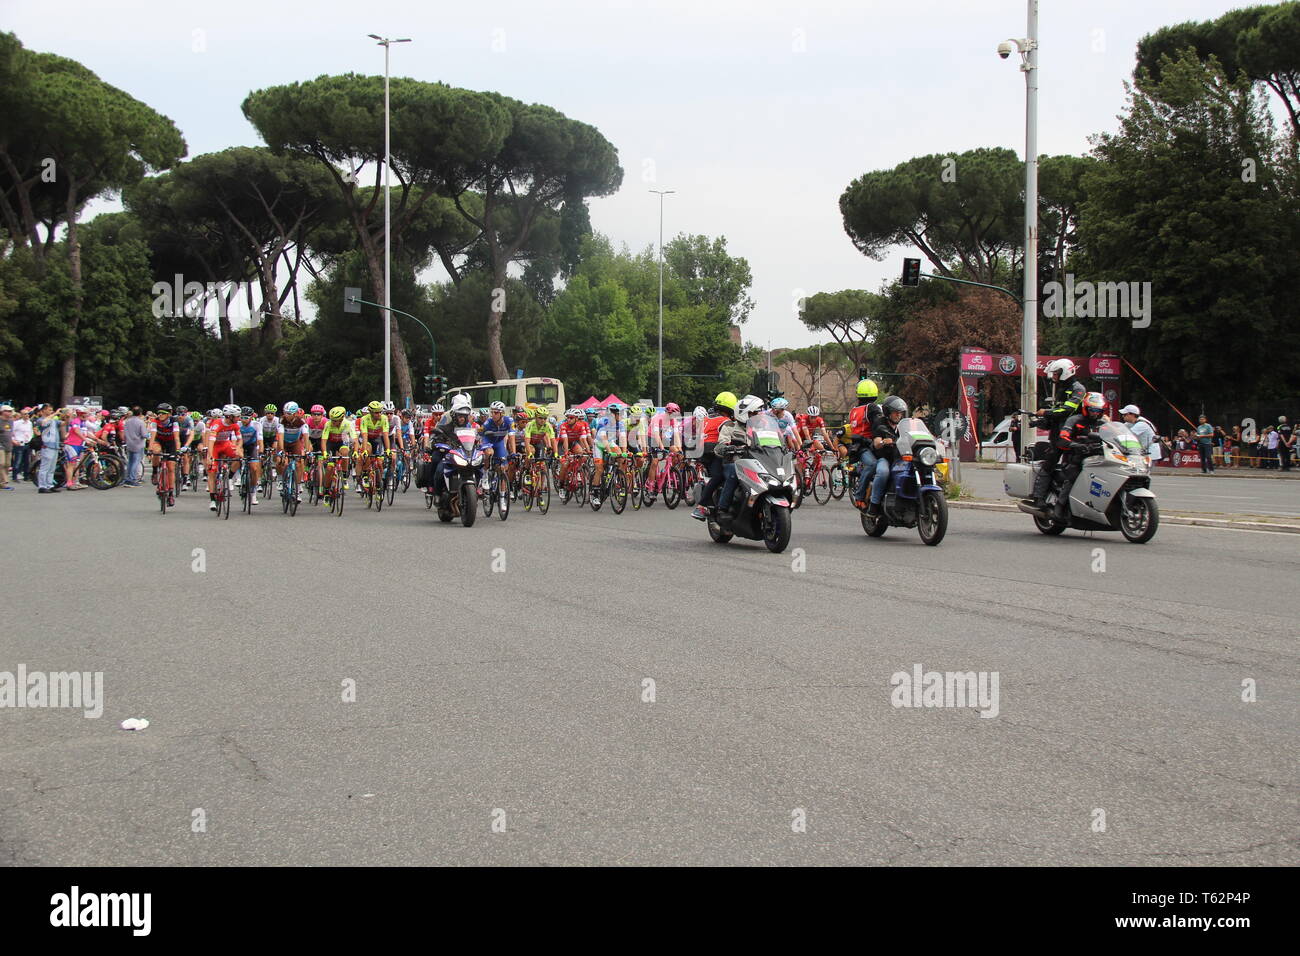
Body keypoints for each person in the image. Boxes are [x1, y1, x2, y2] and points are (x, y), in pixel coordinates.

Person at [1051, 392, 1108, 519]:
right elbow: (1062, 439)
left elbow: (1115, 436)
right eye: (1092, 410)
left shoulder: (1103, 423)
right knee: (1074, 475)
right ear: (1086, 408)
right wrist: (1078, 445)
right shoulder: (1075, 420)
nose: (1095, 413)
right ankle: (1059, 506)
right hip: (1076, 457)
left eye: (1098, 410)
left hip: (1098, 457)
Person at [714, 394, 765, 523]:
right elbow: (720, 445)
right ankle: (723, 508)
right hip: (734, 462)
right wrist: (727, 448)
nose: (757, 416)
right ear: (745, 413)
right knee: (733, 473)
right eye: (754, 413)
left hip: (756, 463)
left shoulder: (760, 428)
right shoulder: (729, 426)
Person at [692, 392, 737, 520]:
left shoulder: (707, 418)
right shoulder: (725, 421)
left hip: (702, 453)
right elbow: (730, 438)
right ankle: (701, 506)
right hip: (714, 453)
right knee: (719, 476)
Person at [866, 396, 907, 517]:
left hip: (901, 458)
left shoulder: (904, 425)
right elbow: (876, 443)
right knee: (883, 472)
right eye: (895, 412)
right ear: (888, 412)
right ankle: (874, 505)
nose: (898, 415)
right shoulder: (880, 423)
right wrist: (883, 442)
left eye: (900, 413)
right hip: (886, 458)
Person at [847, 379, 881, 507]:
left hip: (859, 446)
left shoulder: (854, 410)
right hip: (865, 446)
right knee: (873, 465)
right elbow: (879, 424)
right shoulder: (871, 408)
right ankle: (860, 496)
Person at [10, 407, 32, 484]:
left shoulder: (29, 423)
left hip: (27, 443)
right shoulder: (17, 423)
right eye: (25, 414)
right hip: (19, 443)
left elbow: (30, 432)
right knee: (18, 460)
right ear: (21, 415)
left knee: (27, 461)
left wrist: (29, 439)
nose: (27, 415)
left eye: (28, 414)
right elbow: (11, 432)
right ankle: (14, 476)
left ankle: (26, 476)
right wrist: (14, 440)